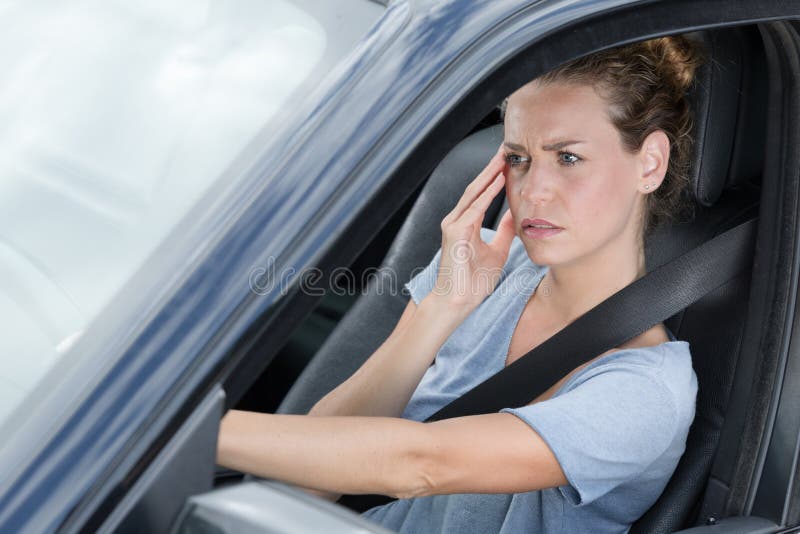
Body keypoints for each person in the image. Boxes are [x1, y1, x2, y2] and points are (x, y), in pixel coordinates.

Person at [216, 34, 704, 533]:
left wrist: (190, 432)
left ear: (650, 163)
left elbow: (421, 465)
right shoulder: (486, 268)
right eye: (518, 158)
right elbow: (305, 484)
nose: (533, 191)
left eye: (568, 158)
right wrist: (442, 307)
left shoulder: (646, 391)